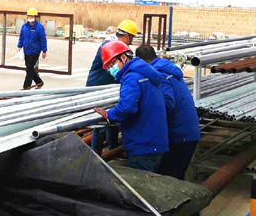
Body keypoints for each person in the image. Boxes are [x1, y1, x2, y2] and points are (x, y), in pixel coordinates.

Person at [94, 41, 173, 172]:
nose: (111, 69)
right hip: (156, 142)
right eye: (108, 67)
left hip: (143, 144)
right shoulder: (147, 72)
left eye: (112, 64)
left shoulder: (131, 77)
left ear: (124, 58)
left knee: (139, 182)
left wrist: (110, 114)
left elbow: (127, 107)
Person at [136, 44, 201, 180]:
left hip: (180, 135)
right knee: (174, 176)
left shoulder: (159, 74)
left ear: (140, 62)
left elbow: (167, 104)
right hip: (187, 132)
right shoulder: (168, 69)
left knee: (169, 179)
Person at [86, 19, 138, 153]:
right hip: (98, 87)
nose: (131, 41)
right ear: (128, 36)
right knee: (101, 123)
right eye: (132, 38)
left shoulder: (121, 47)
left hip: (110, 87)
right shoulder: (108, 46)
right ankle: (95, 154)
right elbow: (114, 69)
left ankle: (112, 148)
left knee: (113, 120)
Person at [17, 8, 48, 90]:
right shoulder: (24, 27)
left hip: (35, 50)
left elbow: (43, 39)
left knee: (29, 67)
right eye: (29, 16)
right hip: (26, 50)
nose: (30, 17)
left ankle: (26, 86)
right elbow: (21, 37)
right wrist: (19, 46)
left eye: (32, 16)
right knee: (29, 68)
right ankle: (39, 81)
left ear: (35, 17)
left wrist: (44, 51)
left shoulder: (39, 27)